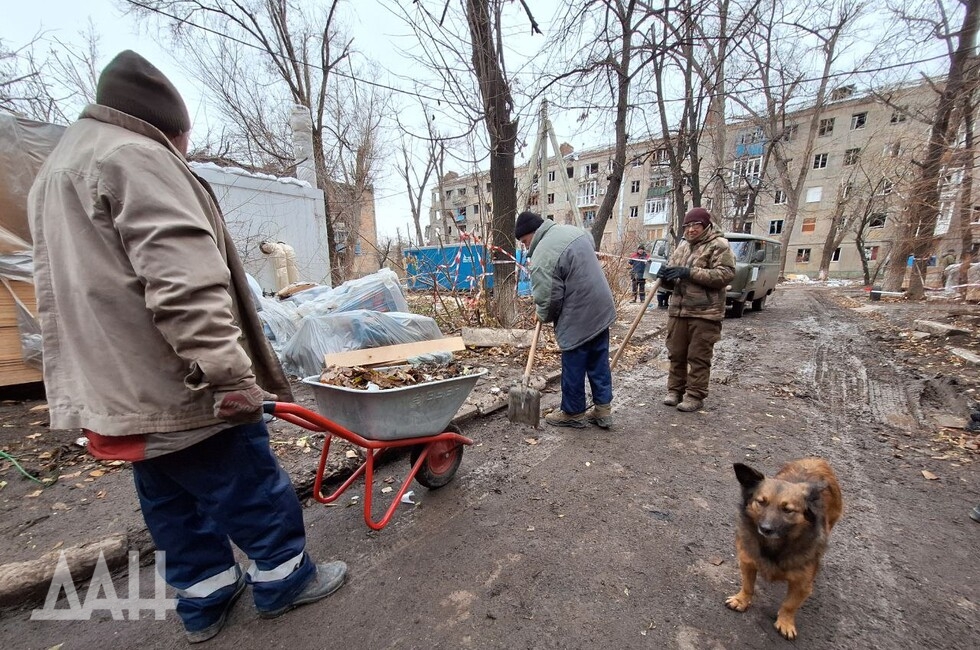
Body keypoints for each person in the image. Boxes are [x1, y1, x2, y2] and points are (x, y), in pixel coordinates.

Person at [28, 51, 346, 644]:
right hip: (181, 385)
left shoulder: (58, 169)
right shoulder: (137, 159)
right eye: (185, 137)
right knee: (249, 486)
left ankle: (205, 599)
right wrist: (229, 375)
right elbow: (185, 282)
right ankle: (284, 583)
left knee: (170, 500)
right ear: (170, 126)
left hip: (117, 393)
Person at [515, 211, 616, 429]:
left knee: (574, 365)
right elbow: (588, 247)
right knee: (599, 361)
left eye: (524, 241)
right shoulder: (573, 231)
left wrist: (542, 314)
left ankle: (573, 413)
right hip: (601, 307)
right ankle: (603, 410)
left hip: (578, 313)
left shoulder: (543, 253)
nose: (525, 247)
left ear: (531, 233)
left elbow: (549, 298)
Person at [657, 207, 736, 412]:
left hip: (705, 313)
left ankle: (695, 395)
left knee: (698, 356)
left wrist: (689, 272)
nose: (691, 230)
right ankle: (675, 390)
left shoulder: (719, 245)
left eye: (696, 225)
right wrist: (665, 277)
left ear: (706, 225)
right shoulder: (682, 247)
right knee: (676, 353)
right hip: (679, 311)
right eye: (688, 226)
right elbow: (673, 281)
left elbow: (725, 275)